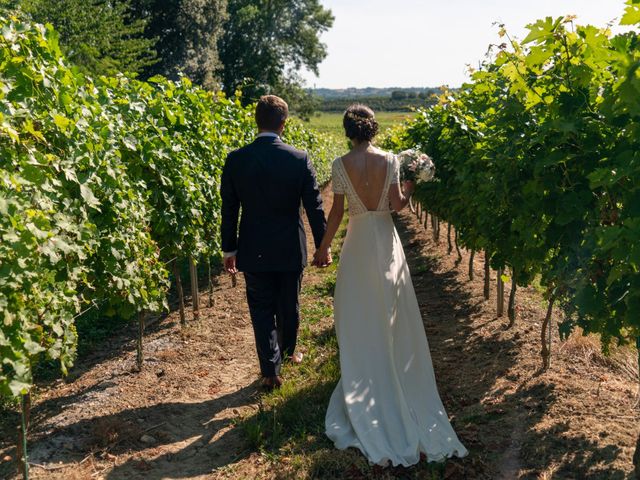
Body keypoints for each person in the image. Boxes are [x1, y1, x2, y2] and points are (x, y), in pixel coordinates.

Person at [315, 104, 468, 466]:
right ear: (373, 129)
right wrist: (412, 185)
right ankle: (396, 373)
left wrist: (322, 248)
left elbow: (337, 212)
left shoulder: (340, 164)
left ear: (347, 131)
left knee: (358, 313)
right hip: (386, 243)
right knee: (391, 311)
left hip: (357, 245)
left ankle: (368, 374)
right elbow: (398, 204)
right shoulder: (391, 161)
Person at [220, 95, 327, 390]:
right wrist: (322, 245)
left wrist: (229, 248)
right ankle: (288, 354)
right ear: (284, 123)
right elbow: (315, 206)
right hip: (290, 246)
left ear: (257, 122)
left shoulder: (236, 159)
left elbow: (229, 208)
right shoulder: (298, 158)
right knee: (288, 304)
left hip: (253, 247)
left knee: (261, 307)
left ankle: (270, 369)